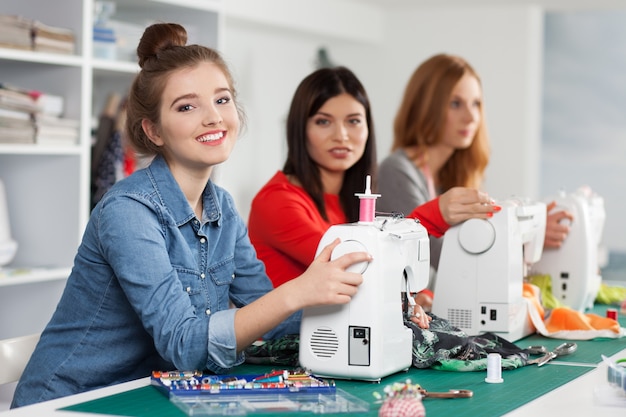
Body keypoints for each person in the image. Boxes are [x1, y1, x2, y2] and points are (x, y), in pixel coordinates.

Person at [10, 23, 373, 408]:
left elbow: (270, 315)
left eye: (222, 100)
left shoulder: (223, 209)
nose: (214, 118)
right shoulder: (128, 212)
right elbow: (184, 343)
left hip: (149, 397)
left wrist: (360, 307)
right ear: (154, 131)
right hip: (68, 404)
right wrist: (296, 292)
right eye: (187, 106)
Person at [247, 66, 499, 328]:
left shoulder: (350, 203)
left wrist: (418, 296)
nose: (341, 135)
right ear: (299, 130)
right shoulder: (277, 201)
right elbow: (355, 265)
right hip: (286, 352)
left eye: (354, 121)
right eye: (323, 121)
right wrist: (436, 214)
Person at [377, 53, 574, 285]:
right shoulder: (397, 172)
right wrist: (522, 237)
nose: (471, 117)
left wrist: (529, 232)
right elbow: (445, 259)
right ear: (426, 106)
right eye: (455, 104)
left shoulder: (451, 175)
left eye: (476, 104)